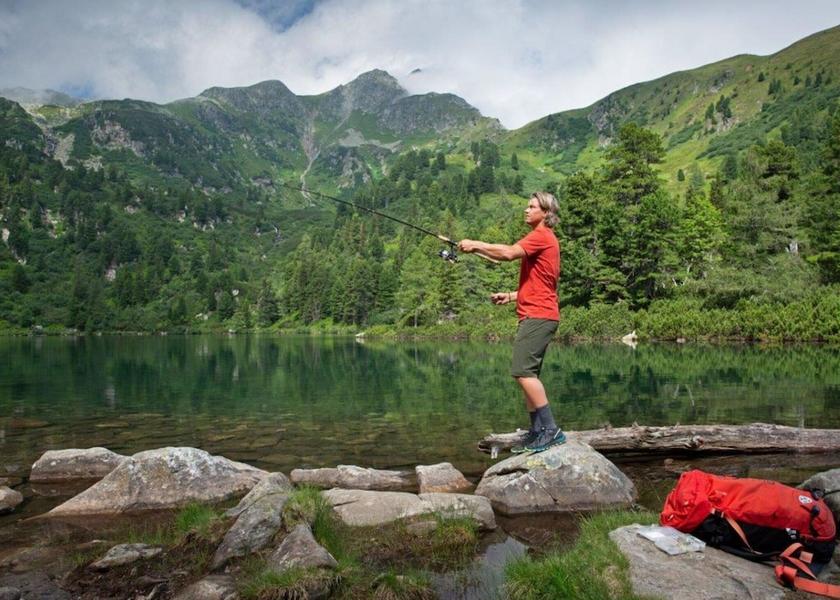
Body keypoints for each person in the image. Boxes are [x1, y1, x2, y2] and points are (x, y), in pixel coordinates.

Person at [458, 192, 565, 453]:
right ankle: (537, 432)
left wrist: (475, 243)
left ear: (545, 213)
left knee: (522, 372)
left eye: (532, 206)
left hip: (538, 315)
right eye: (527, 206)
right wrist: (511, 296)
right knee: (528, 375)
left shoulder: (541, 235)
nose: (526, 210)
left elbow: (507, 253)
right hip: (539, 313)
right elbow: (543, 283)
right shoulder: (545, 239)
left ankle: (551, 430)